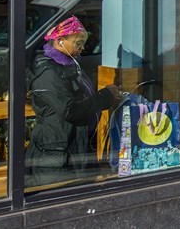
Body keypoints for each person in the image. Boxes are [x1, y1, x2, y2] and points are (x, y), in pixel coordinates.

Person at [26, 16, 120, 186]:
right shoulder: (48, 73)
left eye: (83, 43)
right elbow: (69, 110)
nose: (82, 48)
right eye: (78, 43)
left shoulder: (68, 65)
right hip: (57, 153)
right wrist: (105, 96)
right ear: (60, 41)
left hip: (75, 147)